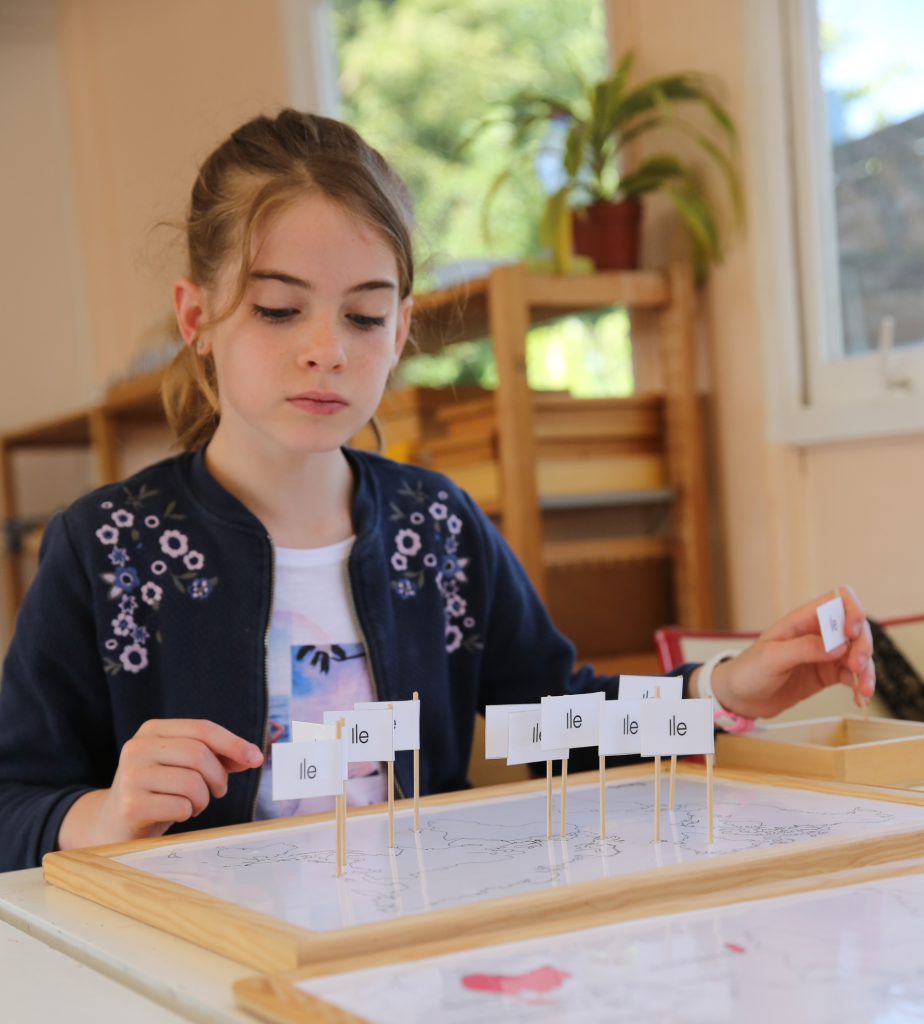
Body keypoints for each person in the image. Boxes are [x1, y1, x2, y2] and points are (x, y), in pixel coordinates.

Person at [0, 111, 875, 872]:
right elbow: (13, 805)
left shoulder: (437, 528)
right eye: (278, 310)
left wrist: (724, 690)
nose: (327, 350)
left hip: (411, 949)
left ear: (402, 328)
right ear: (196, 319)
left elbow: (559, 725)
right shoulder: (103, 547)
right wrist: (104, 816)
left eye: (364, 315)